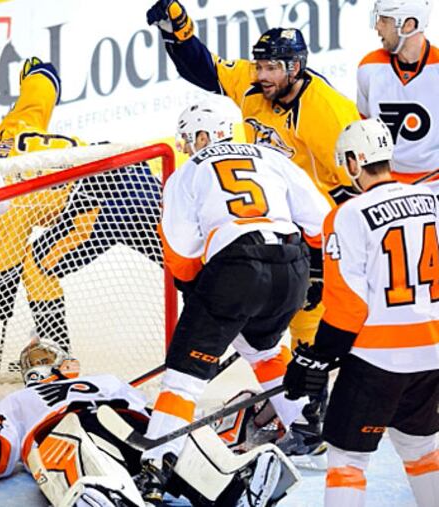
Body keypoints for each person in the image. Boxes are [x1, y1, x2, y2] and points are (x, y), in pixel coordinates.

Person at [147, 0, 359, 455]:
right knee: (264, 343)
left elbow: (354, 185)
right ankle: (305, 425)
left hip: (298, 235)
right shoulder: (252, 91)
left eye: (270, 67)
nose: (259, 74)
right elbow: (204, 70)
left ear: (295, 68)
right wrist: (178, 31)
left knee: (307, 328)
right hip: (293, 236)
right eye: (258, 64)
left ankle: (158, 455)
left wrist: (333, 264)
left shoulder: (326, 110)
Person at [134, 99, 330, 505]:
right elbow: (321, 219)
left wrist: (202, 296)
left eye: (192, 137)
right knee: (266, 348)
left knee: (183, 379)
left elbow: (181, 254)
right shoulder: (271, 156)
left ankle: (156, 465)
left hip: (237, 266)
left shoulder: (188, 172)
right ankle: (307, 430)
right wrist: (314, 273)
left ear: (206, 134)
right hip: (289, 264)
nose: (189, 146)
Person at [0, 57, 162, 359]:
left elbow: (2, 282)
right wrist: (35, 72)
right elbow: (42, 84)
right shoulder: (11, 130)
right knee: (189, 264)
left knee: (38, 266)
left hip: (100, 202)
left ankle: (57, 355)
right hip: (131, 170)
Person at [0, 334, 300, 507]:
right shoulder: (16, 400)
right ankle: (108, 495)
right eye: (33, 359)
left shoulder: (107, 381)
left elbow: (153, 415)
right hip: (64, 431)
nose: (39, 362)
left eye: (47, 354)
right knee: (74, 438)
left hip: (129, 426)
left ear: (69, 362)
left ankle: (233, 485)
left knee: (167, 435)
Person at [283, 118, 439, 507]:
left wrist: (317, 357)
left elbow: (350, 305)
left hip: (377, 359)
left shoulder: (348, 215)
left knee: (348, 462)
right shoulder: (433, 202)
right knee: (421, 450)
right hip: (432, 352)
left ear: (354, 161)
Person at [358, 0, 439, 190]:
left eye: (385, 20)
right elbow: (363, 129)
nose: (378, 27)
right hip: (386, 185)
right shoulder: (369, 67)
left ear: (409, 25)